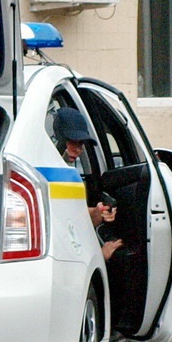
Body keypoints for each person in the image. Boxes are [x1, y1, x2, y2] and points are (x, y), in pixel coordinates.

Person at [52, 107, 122, 261]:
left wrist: (98, 212)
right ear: (56, 139)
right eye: (72, 142)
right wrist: (99, 256)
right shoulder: (46, 174)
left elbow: (73, 216)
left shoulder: (68, 173)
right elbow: (63, 231)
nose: (78, 149)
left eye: (81, 143)